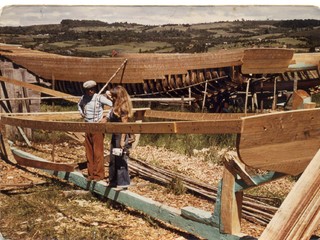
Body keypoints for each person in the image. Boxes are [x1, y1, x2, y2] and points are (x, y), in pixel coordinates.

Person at [78, 80, 113, 181]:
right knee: (89, 152)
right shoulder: (83, 98)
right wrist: (82, 113)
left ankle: (98, 175)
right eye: (89, 89)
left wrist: (106, 118)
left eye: (92, 89)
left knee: (98, 152)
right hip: (87, 126)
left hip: (97, 126)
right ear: (86, 90)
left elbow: (113, 105)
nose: (91, 91)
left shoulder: (99, 98)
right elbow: (79, 105)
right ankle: (91, 175)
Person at [107, 85, 135, 188]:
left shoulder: (123, 108)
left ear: (119, 96)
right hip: (115, 135)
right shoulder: (116, 104)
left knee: (120, 158)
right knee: (113, 158)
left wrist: (122, 141)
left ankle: (123, 182)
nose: (112, 98)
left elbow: (125, 126)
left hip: (120, 135)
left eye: (114, 96)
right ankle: (113, 181)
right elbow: (107, 94)